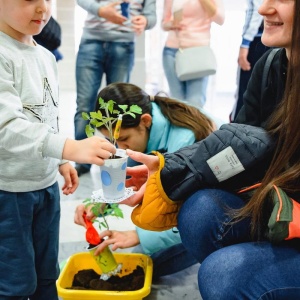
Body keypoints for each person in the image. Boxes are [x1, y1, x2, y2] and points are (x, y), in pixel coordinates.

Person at [118, 0, 300, 298]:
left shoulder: (182, 133)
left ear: (145, 122)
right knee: (199, 210)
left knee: (221, 274)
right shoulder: (270, 65)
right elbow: (245, 146)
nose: (264, 9)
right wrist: (168, 173)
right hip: (283, 210)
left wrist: (138, 234)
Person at [0, 1, 116, 299]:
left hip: (45, 185)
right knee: (16, 281)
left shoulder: (45, 56)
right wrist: (69, 147)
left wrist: (61, 157)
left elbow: (47, 116)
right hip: (9, 191)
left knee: (46, 273)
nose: (42, 8)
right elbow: (6, 127)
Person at [74, 82, 219, 278]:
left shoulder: (184, 142)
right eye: (113, 141)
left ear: (145, 121)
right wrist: (100, 203)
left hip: (215, 211)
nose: (121, 148)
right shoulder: (145, 128)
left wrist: (137, 235)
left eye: (124, 139)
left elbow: (189, 210)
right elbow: (126, 178)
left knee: (144, 262)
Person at [74, 0, 157, 177]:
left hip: (124, 44)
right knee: (84, 105)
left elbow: (151, 16)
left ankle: (115, 162)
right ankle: (82, 161)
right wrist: (101, 10)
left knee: (119, 112)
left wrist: (145, 21)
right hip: (91, 41)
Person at [161, 0, 225, 108]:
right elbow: (164, 24)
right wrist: (171, 24)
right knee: (176, 104)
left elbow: (220, 19)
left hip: (198, 52)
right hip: (172, 51)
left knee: (195, 103)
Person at [229, 0, 269, 121]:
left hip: (257, 41)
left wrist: (245, 44)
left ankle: (235, 128)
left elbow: (257, 10)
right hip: (270, 40)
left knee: (245, 93)